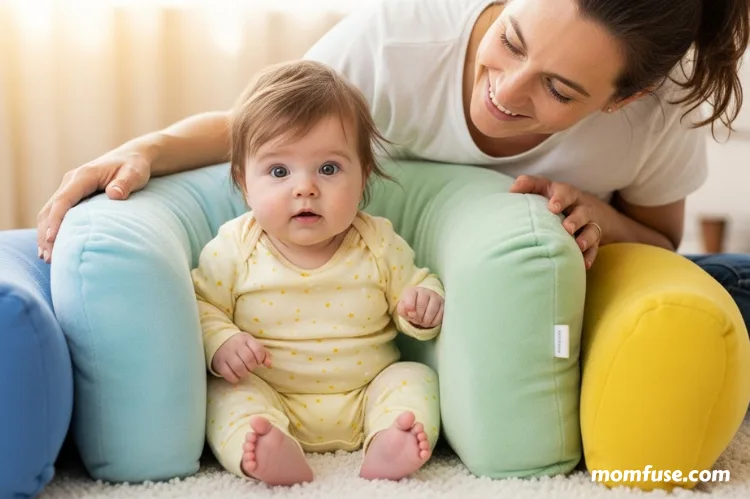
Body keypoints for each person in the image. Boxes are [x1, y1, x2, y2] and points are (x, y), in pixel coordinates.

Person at [36, 0, 749, 327]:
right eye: (512, 39)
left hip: (522, 310)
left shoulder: (658, 119)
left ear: (628, 96)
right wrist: (143, 149)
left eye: (559, 89)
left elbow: (661, 242)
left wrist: (605, 218)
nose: (506, 88)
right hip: (365, 297)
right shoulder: (399, 41)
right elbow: (258, 126)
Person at [191, 60, 445, 486]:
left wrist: (421, 306)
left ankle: (389, 439)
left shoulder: (377, 241)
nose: (305, 187)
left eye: (329, 169)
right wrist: (223, 341)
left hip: (367, 391)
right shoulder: (236, 246)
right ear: (243, 182)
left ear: (363, 176)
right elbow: (199, 306)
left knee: (413, 377)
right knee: (224, 396)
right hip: (270, 393)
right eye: (278, 171)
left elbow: (417, 284)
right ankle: (267, 448)